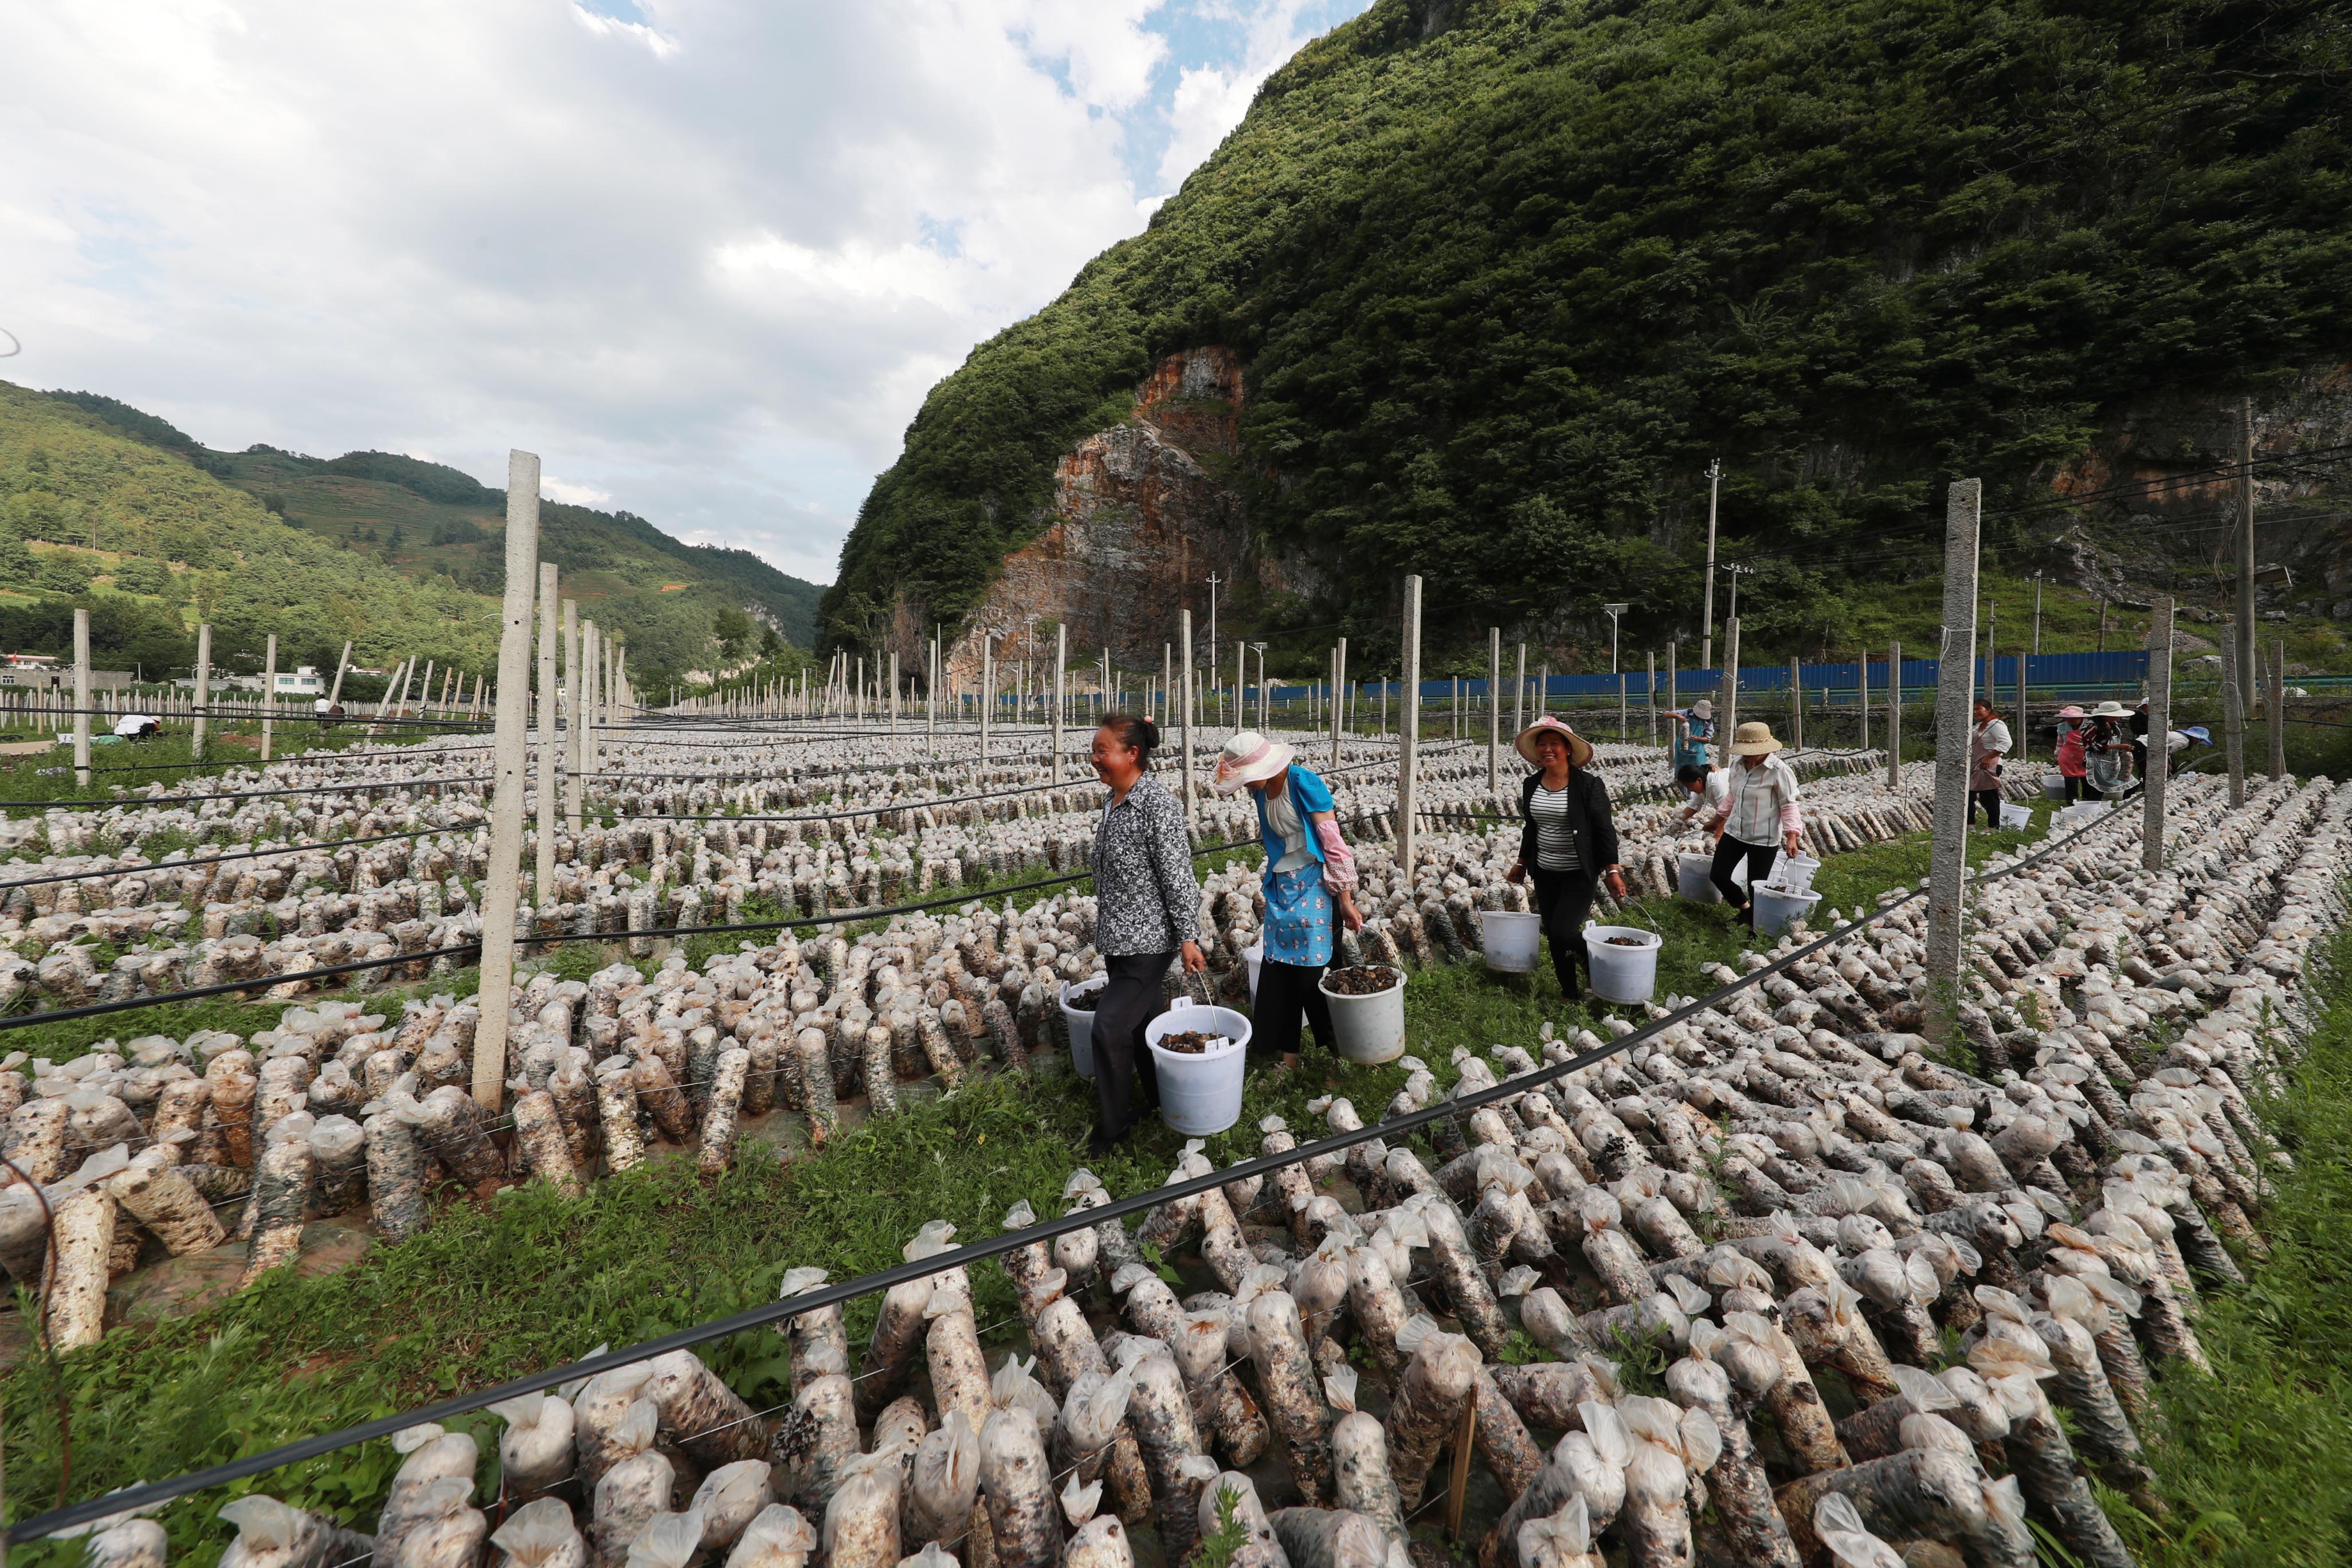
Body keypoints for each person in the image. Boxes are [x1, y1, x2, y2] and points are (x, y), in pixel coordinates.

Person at [1085, 712, 1205, 1154]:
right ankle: (1163, 1101)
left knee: (1108, 1027)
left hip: (1148, 941)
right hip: (1118, 937)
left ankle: (1113, 1131)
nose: (1095, 759)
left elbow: (1178, 877)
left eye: (1103, 751)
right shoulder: (1114, 800)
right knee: (1141, 1028)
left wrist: (1188, 937)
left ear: (1131, 754)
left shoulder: (1157, 804)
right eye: (1094, 751)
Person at [1212, 731, 1364, 1072]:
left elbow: (1333, 844)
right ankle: (1289, 1060)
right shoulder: (1262, 792)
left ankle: (1337, 1060)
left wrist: (1345, 899)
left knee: (1313, 976)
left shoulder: (1303, 783)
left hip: (1315, 883)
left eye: (1248, 780)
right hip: (1282, 886)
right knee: (1279, 968)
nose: (1247, 787)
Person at [1503, 717, 1628, 1001]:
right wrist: (1522, 863)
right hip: (1545, 870)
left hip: (1578, 872)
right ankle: (1570, 992)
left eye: (1554, 744)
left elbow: (1604, 830)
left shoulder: (1588, 785)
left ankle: (1602, 965)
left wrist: (1612, 871)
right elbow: (1531, 827)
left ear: (1568, 749)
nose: (1548, 750)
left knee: (1563, 930)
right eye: (1542, 745)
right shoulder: (1532, 783)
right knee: (1553, 932)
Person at [1706, 721, 1802, 923]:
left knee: (1756, 886)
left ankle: (1755, 926)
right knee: (1718, 875)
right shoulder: (1737, 765)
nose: (1748, 755)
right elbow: (1732, 796)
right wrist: (1716, 821)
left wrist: (1792, 836)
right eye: (1746, 751)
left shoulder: (1778, 770)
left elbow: (1788, 805)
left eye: (1753, 751)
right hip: (1734, 832)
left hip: (1763, 838)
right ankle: (1746, 909)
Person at [1969, 696, 2011, 826]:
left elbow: (2006, 743)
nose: (1975, 712)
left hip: (1989, 765)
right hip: (1977, 765)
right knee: (1969, 795)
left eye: (1979, 709)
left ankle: (1994, 826)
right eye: (1973, 709)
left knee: (1989, 797)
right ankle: (1969, 824)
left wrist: (1989, 757)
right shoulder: (1979, 726)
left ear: (1988, 710)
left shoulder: (1995, 724)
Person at [2084, 701, 2135, 798]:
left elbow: (2117, 742)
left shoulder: (2113, 725)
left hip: (2113, 761)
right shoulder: (2092, 726)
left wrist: (2123, 748)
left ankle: (2126, 803)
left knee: (2131, 785)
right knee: (2097, 789)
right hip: (2097, 762)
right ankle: (2091, 809)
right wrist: (2116, 747)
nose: (2118, 717)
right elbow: (2090, 745)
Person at [2052, 705, 2089, 803]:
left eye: (2073, 718)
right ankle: (2072, 801)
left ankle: (2087, 801)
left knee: (2087, 779)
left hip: (2086, 755)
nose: (2070, 721)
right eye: (2068, 719)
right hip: (2068, 757)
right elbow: (2060, 743)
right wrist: (2058, 756)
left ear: (2081, 717)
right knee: (2070, 779)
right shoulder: (2062, 727)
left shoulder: (2090, 726)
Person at [1673, 761, 1728, 826]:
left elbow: (1726, 812)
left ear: (1699, 780)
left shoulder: (1716, 784)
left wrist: (1717, 835)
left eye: (1689, 786)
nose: (1689, 790)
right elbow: (1694, 805)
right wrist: (1677, 823)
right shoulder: (1703, 786)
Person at [1670, 699, 1715, 770]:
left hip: (1696, 750)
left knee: (1698, 770)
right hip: (1682, 748)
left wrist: (1698, 739)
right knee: (1681, 770)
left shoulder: (1707, 722)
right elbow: (1666, 713)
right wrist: (1678, 716)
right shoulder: (1687, 713)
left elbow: (1708, 738)